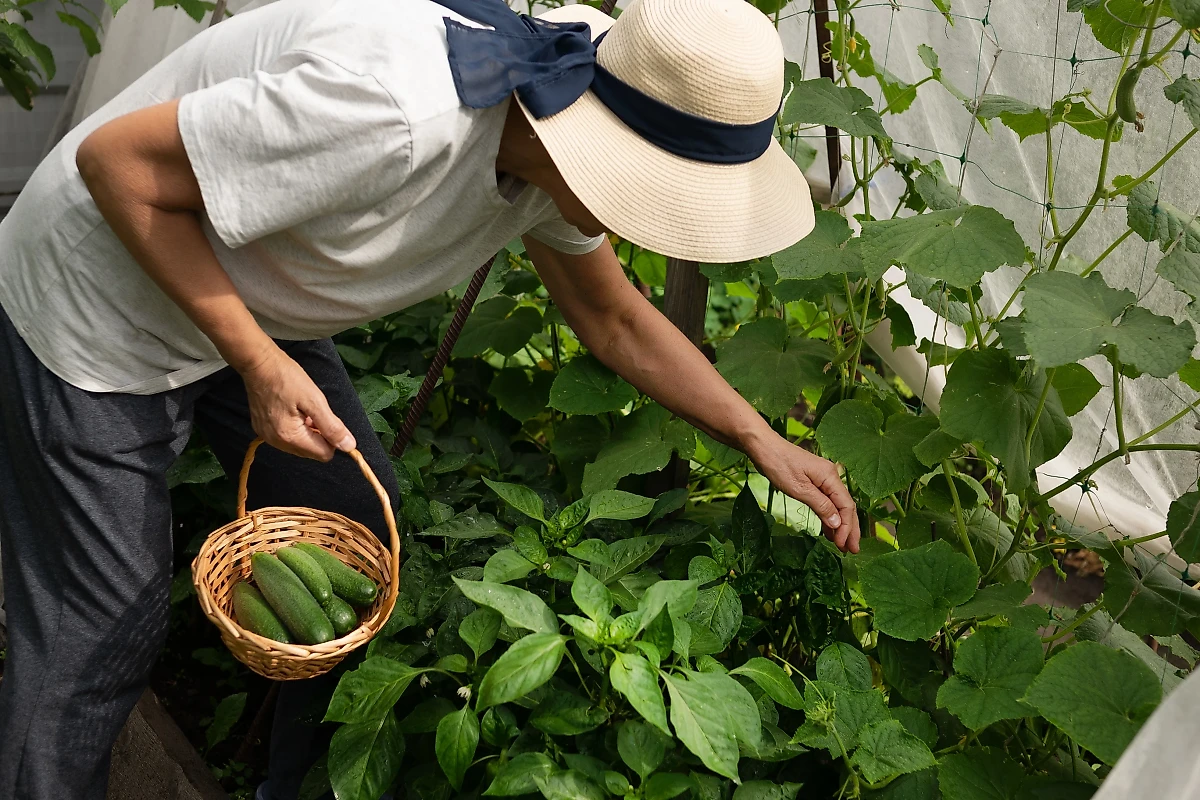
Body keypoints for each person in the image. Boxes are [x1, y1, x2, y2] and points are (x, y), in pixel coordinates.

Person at [0, 0, 861, 796]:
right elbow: (114, 167)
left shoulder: (565, 121)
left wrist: (760, 439)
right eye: (659, 198)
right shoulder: (390, 116)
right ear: (609, 150)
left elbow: (613, 318)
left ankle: (287, 785)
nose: (646, 223)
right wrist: (260, 364)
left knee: (353, 523)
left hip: (246, 282)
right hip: (102, 295)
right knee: (100, 622)